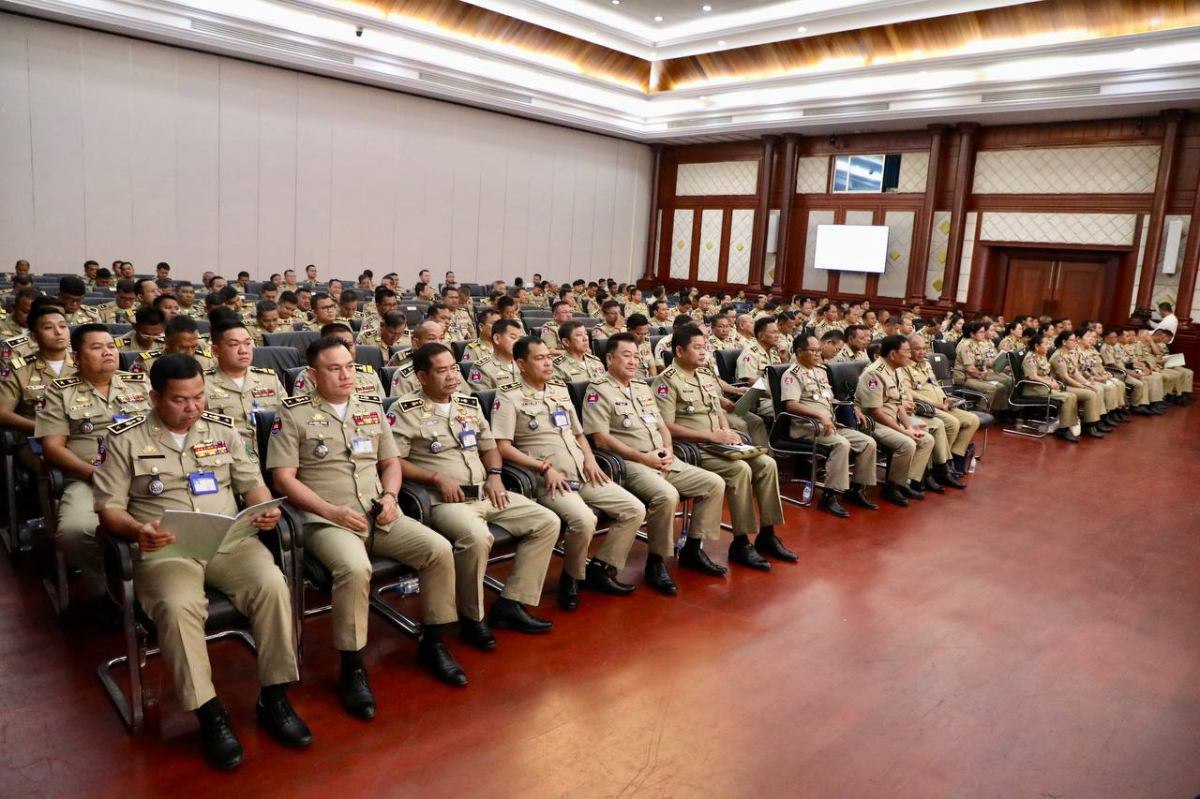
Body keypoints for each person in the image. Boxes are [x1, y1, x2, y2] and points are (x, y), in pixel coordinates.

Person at [93, 354, 308, 770]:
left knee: (271, 585)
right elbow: (109, 510)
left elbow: (253, 485)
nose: (192, 407)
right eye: (179, 400)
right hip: (168, 548)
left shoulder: (223, 431)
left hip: (230, 542)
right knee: (178, 608)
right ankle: (210, 713)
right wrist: (138, 530)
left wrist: (266, 509)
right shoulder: (123, 439)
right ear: (155, 397)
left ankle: (275, 697)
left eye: (198, 397)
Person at [270, 338, 469, 719]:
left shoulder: (370, 407)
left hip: (379, 513)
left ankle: (434, 642)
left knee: (438, 550)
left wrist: (391, 497)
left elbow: (390, 463)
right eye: (334, 368)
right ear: (312, 374)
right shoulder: (292, 413)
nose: (346, 374)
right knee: (355, 567)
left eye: (350, 366)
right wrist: (330, 511)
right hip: (327, 521)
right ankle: (353, 665)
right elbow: (284, 478)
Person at [388, 343, 560, 642]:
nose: (452, 376)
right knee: (478, 537)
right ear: (422, 377)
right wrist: (435, 477)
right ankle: (473, 616)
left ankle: (511, 602)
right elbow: (394, 461)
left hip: (485, 491)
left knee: (547, 521)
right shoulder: (405, 411)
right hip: (443, 500)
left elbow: (489, 447)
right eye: (442, 371)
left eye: (454, 368)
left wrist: (494, 475)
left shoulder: (468, 403)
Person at [492, 337, 645, 610]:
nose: (547, 363)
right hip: (548, 480)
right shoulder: (508, 396)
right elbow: (502, 447)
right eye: (539, 358)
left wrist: (590, 459)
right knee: (584, 519)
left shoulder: (559, 389)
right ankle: (572, 577)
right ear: (521, 364)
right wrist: (543, 467)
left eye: (548, 357)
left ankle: (602, 568)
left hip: (582, 472)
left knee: (634, 508)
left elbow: (579, 434)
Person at [581, 333, 727, 595]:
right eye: (626, 355)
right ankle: (656, 562)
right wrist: (642, 458)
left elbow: (662, 426)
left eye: (636, 356)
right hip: (629, 463)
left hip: (662, 459)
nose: (633, 361)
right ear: (610, 358)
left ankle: (693, 549)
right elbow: (601, 439)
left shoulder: (640, 386)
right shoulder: (598, 390)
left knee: (714, 483)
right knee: (667, 495)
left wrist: (668, 450)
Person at [652, 325, 792, 566]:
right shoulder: (666, 381)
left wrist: (727, 431)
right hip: (692, 448)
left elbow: (717, 411)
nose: (703, 352)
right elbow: (666, 426)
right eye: (697, 348)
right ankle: (741, 542)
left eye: (704, 347)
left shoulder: (705, 375)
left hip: (718, 443)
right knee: (740, 470)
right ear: (679, 351)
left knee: (767, 464)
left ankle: (768, 534)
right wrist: (711, 436)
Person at [35, 324, 152, 599]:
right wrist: (93, 474)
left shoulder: (140, 383)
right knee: (74, 531)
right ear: (76, 358)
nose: (107, 352)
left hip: (145, 473)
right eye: (97, 348)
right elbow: (52, 448)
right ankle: (106, 591)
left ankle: (151, 585)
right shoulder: (59, 392)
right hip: (90, 478)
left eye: (111, 346)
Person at [779, 334, 879, 517]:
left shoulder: (821, 371)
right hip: (807, 427)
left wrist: (852, 408)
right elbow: (790, 405)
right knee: (841, 444)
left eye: (819, 350)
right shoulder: (792, 375)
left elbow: (829, 398)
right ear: (799, 351)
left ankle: (856, 489)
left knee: (868, 443)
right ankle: (829, 495)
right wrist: (820, 416)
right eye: (813, 351)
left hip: (830, 424)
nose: (818, 354)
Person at [855, 335, 936, 505]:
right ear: (893, 354)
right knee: (907, 443)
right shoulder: (873, 374)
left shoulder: (896, 369)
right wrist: (904, 432)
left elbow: (898, 404)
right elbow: (876, 412)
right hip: (874, 423)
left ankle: (905, 482)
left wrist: (909, 426)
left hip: (892, 418)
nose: (910, 355)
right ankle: (891, 488)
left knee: (926, 438)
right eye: (906, 351)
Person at [0, 305, 77, 462]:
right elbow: (3, 413)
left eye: (63, 326)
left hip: (82, 435)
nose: (58, 332)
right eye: (49, 328)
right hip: (35, 438)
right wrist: (46, 428)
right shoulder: (18, 369)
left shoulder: (85, 363)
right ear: (34, 336)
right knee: (54, 466)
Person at [203, 321, 286, 455]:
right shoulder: (202, 384)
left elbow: (287, 420)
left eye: (247, 343)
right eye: (234, 345)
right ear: (216, 351)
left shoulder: (269, 379)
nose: (243, 350)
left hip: (273, 454)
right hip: (229, 457)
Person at [902, 335, 980, 475]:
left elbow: (935, 385)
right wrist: (938, 404)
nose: (922, 352)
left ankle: (955, 459)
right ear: (909, 350)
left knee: (973, 420)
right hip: (926, 408)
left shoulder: (926, 364)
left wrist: (945, 399)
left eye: (924, 348)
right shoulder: (904, 367)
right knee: (952, 423)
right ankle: (941, 464)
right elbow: (910, 393)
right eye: (917, 349)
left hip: (941, 405)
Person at [291, 324, 383, 396]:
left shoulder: (369, 374)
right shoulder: (309, 376)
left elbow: (381, 406)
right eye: (339, 345)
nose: (346, 349)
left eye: (350, 344)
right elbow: (303, 411)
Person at [1022, 333, 1082, 442]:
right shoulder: (1030, 358)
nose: (1048, 346)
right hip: (1034, 390)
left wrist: (1052, 380)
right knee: (1068, 397)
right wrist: (1048, 383)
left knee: (1073, 396)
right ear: (1036, 346)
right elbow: (1033, 376)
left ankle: (1068, 425)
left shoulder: (1042, 356)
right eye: (1045, 344)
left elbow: (1046, 373)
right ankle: (1063, 429)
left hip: (1044, 387)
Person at [1049, 331, 1109, 438]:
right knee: (1090, 394)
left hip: (1070, 384)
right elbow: (1065, 377)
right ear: (1064, 342)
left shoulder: (1068, 354)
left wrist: (1086, 383)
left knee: (1093, 389)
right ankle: (1089, 425)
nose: (1075, 342)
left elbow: (1075, 372)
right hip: (1062, 386)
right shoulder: (1058, 357)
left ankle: (1095, 422)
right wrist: (1082, 386)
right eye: (1072, 340)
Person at [954, 321, 1012, 411]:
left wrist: (985, 372)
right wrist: (984, 376)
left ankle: (997, 412)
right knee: (992, 388)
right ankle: (982, 412)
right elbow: (970, 369)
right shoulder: (966, 346)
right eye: (981, 332)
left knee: (1001, 386)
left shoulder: (978, 344)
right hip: (967, 378)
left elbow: (983, 363)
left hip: (978, 376)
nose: (983, 334)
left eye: (984, 332)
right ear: (972, 334)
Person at [131, 315, 215, 373]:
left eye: (194, 347)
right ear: (167, 342)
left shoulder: (206, 361)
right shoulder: (148, 363)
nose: (190, 353)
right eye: (183, 348)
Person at [466, 318, 522, 391]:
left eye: (520, 339)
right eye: (513, 338)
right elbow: (482, 397)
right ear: (497, 338)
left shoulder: (525, 364)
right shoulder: (482, 368)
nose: (518, 342)